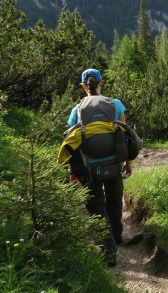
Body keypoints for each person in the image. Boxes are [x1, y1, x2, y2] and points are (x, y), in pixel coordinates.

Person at [65, 68, 132, 266]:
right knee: (113, 200)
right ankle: (117, 236)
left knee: (96, 206)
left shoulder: (76, 110)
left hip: (89, 170)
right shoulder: (116, 105)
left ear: (83, 86)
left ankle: (108, 252)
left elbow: (71, 142)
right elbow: (125, 137)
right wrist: (127, 163)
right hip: (114, 165)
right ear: (102, 83)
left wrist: (72, 172)